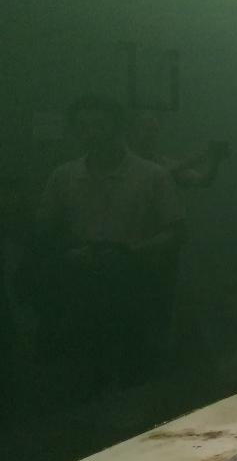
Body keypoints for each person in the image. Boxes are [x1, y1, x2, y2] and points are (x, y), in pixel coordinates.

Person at [33, 95, 185, 393]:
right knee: (86, 361)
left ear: (118, 127)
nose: (90, 133)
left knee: (136, 362)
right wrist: (69, 252)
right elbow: (44, 229)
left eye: (99, 125)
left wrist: (133, 253)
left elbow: (177, 231)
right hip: (81, 279)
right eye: (82, 126)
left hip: (136, 280)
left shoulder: (152, 175)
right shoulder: (63, 176)